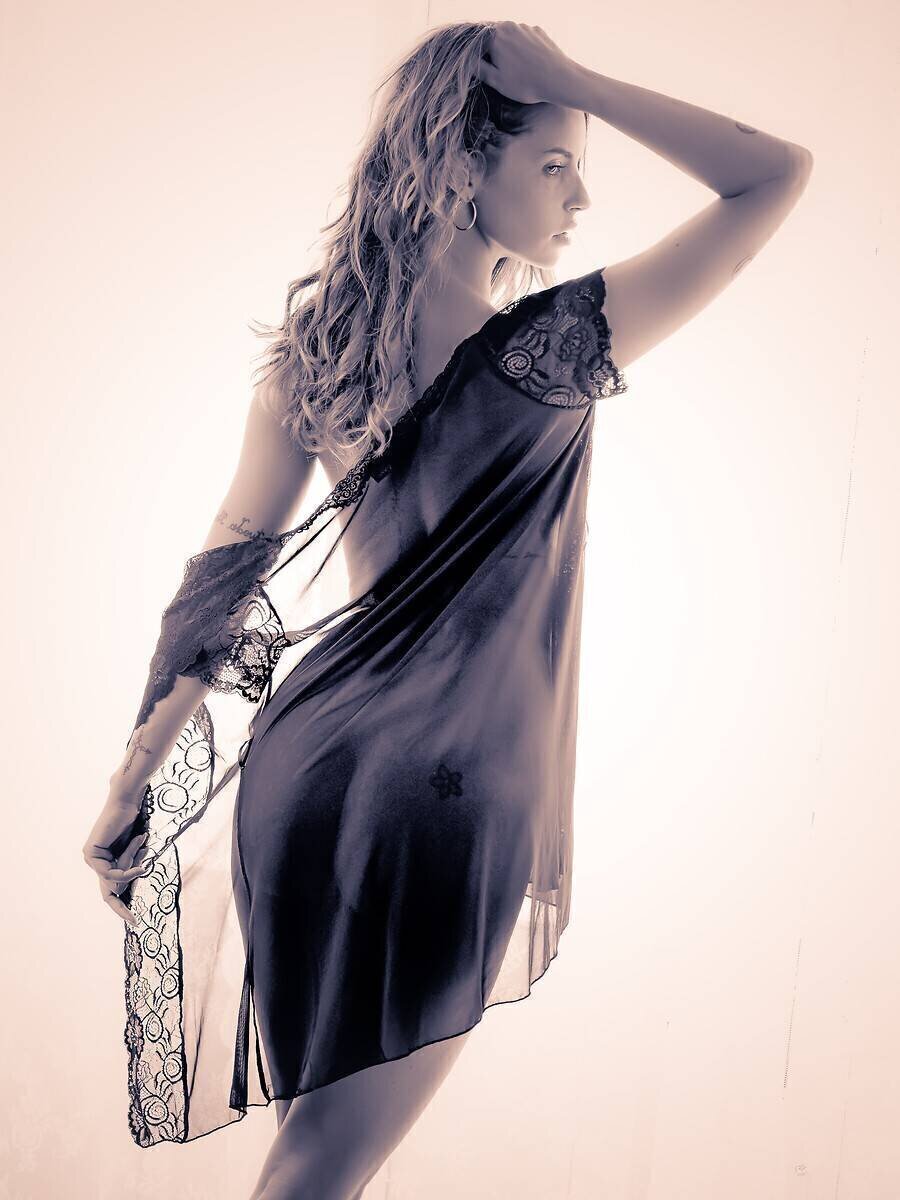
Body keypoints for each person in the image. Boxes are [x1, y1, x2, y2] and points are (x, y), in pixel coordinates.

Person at [81, 19, 813, 1200]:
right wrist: (574, 79)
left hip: (305, 770)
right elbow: (774, 174)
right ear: (463, 162)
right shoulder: (554, 350)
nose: (580, 199)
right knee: (322, 1168)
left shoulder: (316, 357)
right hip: (449, 791)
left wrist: (141, 763)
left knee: (317, 1155)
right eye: (555, 164)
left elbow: (229, 564)